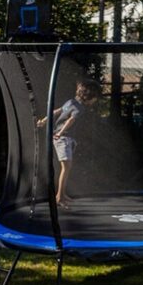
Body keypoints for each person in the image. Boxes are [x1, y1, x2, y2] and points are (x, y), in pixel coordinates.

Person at [38, 80, 98, 209]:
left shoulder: (71, 102)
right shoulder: (79, 108)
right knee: (66, 168)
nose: (95, 101)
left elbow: (55, 111)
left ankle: (62, 194)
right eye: (95, 98)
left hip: (65, 138)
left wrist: (43, 121)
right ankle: (59, 197)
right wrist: (60, 132)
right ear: (90, 97)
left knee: (66, 168)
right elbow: (71, 119)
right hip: (63, 138)